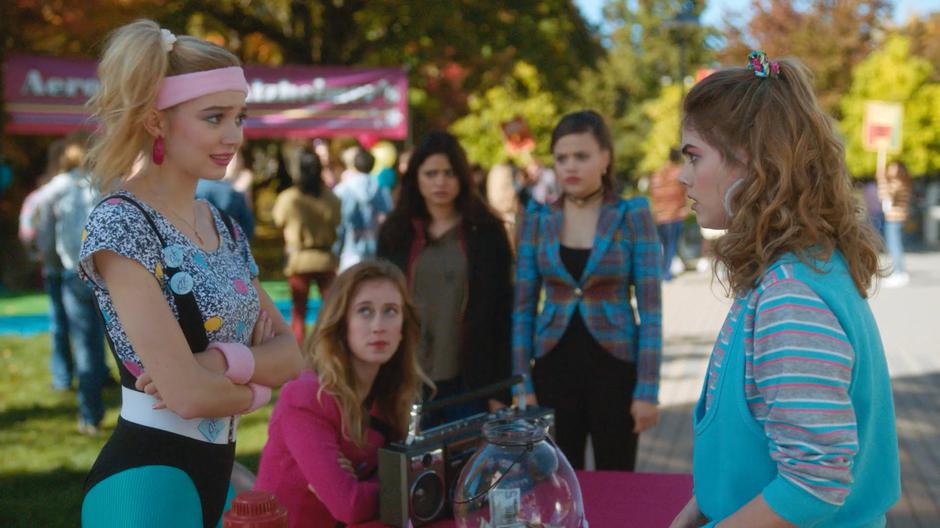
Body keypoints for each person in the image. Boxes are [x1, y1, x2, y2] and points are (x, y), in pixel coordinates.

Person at [78, 20, 303, 527]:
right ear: (157, 122)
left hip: (217, 473)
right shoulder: (121, 222)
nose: (234, 136)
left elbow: (292, 356)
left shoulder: (222, 223)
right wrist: (256, 384)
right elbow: (185, 396)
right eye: (215, 117)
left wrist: (215, 363)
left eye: (239, 117)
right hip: (144, 485)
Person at [669, 51, 900, 528]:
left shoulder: (790, 295)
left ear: (751, 163)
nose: (681, 175)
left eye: (694, 156)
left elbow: (813, 483)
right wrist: (699, 507)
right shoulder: (791, 271)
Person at [513, 110, 663, 471]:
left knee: (617, 475)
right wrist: (522, 384)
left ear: (605, 157)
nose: (570, 167)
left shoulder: (632, 215)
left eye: (581, 156)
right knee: (557, 477)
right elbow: (522, 309)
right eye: (561, 158)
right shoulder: (538, 220)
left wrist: (647, 391)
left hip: (616, 366)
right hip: (552, 364)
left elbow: (652, 312)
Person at [254, 260, 429, 527]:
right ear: (342, 321)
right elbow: (349, 505)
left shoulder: (391, 394)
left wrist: (377, 481)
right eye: (365, 311)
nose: (378, 326)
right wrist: (410, 477)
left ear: (404, 326)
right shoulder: (306, 396)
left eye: (391, 311)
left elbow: (381, 486)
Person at [378, 131, 514, 426]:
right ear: (416, 178)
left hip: (471, 381)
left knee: (467, 468)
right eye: (431, 173)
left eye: (449, 173)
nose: (440, 181)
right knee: (411, 469)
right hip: (406, 377)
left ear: (463, 177)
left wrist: (501, 389)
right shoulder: (395, 233)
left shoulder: (487, 233)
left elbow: (504, 313)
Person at [29, 131, 111, 433]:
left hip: (73, 272)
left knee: (85, 343)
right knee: (129, 342)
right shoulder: (109, 183)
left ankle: (90, 415)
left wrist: (49, 263)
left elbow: (46, 233)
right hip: (110, 273)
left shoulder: (56, 188)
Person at [19, 139, 74, 392]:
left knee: (60, 325)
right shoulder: (84, 188)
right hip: (78, 267)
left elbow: (28, 228)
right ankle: (94, 375)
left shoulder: (43, 193)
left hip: (55, 266)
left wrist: (37, 252)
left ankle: (63, 377)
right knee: (89, 329)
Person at [272, 148, 341, 344]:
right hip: (326, 259)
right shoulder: (331, 198)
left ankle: (297, 354)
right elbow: (337, 221)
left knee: (298, 313)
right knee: (331, 312)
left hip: (299, 260)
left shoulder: (289, 198)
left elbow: (278, 221)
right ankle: (329, 348)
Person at [333, 147, 393, 271]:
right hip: (375, 249)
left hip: (349, 250)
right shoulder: (381, 189)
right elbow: (388, 218)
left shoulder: (343, 189)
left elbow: (337, 221)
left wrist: (336, 249)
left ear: (354, 165)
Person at [650, 148, 690, 280]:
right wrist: (684, 207)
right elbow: (684, 192)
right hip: (674, 214)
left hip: (660, 215)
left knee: (663, 244)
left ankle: (662, 270)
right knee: (671, 244)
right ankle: (665, 272)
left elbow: (653, 192)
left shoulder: (658, 173)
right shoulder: (678, 172)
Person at [195, 151, 255, 239]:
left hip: (195, 243)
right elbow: (248, 230)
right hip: (228, 244)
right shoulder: (235, 193)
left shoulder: (193, 188)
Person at [878, 160, 912, 287]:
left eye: (893, 168)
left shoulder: (898, 184)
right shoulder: (903, 183)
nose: (889, 171)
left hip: (895, 218)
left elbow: (886, 195)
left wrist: (881, 180)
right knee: (894, 245)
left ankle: (899, 272)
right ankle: (898, 271)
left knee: (894, 246)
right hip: (894, 218)